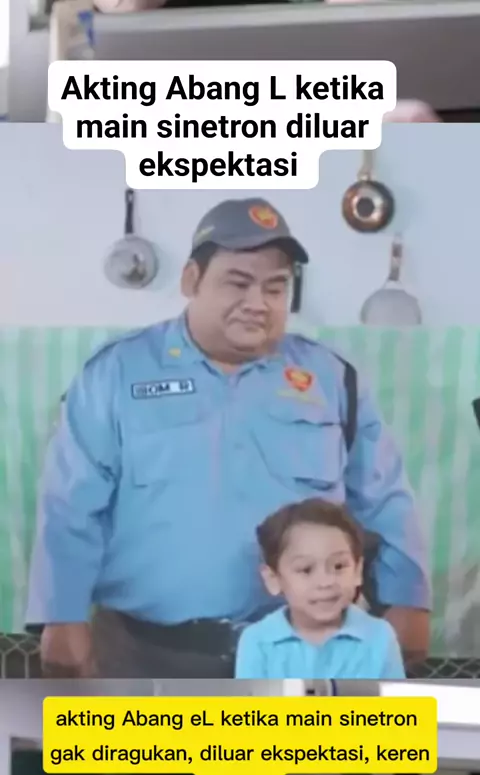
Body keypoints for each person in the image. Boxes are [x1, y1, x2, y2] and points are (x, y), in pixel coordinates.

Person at [26, 196, 430, 678]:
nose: (258, 303)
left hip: (302, 650)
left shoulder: (331, 379)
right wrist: (62, 615)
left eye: (275, 287)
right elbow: (71, 506)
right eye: (238, 283)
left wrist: (408, 598)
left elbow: (384, 499)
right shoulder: (116, 373)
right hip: (144, 653)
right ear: (191, 280)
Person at [235, 497, 406, 679]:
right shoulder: (257, 641)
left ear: (357, 570)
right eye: (306, 570)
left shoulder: (379, 636)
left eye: (339, 566)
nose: (325, 582)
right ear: (273, 579)